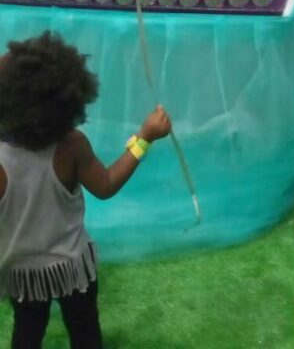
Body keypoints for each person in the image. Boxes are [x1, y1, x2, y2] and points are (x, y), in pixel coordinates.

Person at [0, 31, 171, 349]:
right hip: (73, 267)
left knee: (27, 332)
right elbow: (106, 186)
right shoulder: (72, 146)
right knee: (85, 331)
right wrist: (144, 138)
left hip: (23, 273)